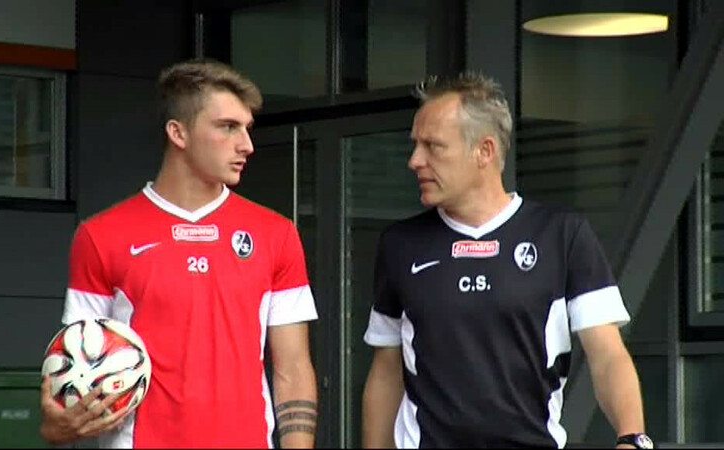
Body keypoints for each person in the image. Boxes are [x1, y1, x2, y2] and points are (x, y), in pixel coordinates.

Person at [361, 72, 652, 449]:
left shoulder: (562, 234)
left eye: (433, 146)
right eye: (416, 145)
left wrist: (632, 437)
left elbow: (607, 354)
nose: (415, 161)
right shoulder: (399, 244)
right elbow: (387, 370)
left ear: (484, 151)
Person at [39, 59, 319, 448]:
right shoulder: (100, 236)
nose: (247, 145)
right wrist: (57, 428)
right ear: (178, 133)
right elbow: (76, 364)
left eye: (247, 129)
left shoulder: (277, 234)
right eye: (228, 127)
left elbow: (293, 368)